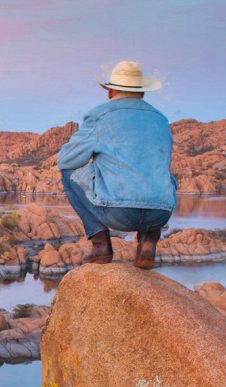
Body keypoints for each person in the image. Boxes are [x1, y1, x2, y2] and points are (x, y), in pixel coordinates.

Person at [57, 60, 177, 269]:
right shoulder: (161, 119)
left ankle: (100, 243)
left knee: (68, 173)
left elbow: (66, 161)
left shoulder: (101, 115)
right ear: (142, 93)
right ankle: (148, 240)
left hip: (119, 213)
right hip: (160, 213)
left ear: (110, 92)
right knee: (165, 177)